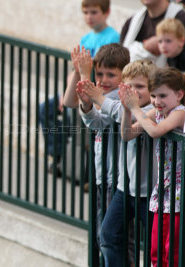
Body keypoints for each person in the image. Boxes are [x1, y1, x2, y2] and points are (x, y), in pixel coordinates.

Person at [78, 59, 157, 266]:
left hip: (151, 194)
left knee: (155, 247)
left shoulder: (155, 108)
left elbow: (130, 117)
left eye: (140, 87)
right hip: (125, 189)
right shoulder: (126, 108)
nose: (133, 92)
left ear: (152, 89)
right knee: (108, 235)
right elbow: (125, 132)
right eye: (129, 86)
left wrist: (99, 99)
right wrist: (88, 102)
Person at [119, 67, 185, 266]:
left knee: (173, 251)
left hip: (182, 192)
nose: (156, 101)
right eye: (153, 95)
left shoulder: (180, 112)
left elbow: (155, 131)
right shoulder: (157, 112)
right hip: (163, 190)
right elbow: (127, 134)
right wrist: (127, 110)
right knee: (155, 249)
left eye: (162, 95)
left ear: (179, 94)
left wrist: (136, 109)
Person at [39, 0, 119, 174]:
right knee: (46, 108)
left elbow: (98, 70)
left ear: (106, 12)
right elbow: (75, 68)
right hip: (79, 87)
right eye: (86, 12)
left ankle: (86, 169)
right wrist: (66, 92)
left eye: (94, 12)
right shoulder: (86, 38)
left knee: (80, 119)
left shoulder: (113, 37)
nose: (89, 17)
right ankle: (59, 155)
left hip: (97, 91)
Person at [75, 43, 130, 246]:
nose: (104, 80)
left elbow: (98, 120)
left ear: (123, 76)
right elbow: (92, 119)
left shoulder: (118, 96)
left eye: (111, 75)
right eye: (99, 74)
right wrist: (87, 102)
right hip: (103, 175)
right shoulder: (103, 94)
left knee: (111, 237)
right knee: (105, 236)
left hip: (114, 178)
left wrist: (84, 76)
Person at [120, 0, 185, 67]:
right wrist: (144, 47)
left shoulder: (182, 19)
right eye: (160, 41)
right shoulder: (133, 21)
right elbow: (120, 60)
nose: (163, 45)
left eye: (168, 40)